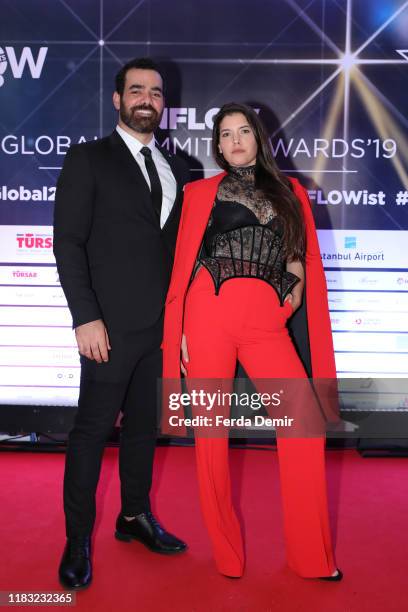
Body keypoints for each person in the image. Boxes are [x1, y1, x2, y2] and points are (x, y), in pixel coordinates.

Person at [161, 103, 342, 580]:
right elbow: (183, 264)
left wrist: (283, 306)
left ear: (258, 139)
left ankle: (312, 558)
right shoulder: (199, 193)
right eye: (226, 134)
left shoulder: (291, 193)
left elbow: (297, 262)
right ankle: (227, 555)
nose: (236, 140)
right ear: (217, 145)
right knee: (211, 439)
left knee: (303, 425)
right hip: (206, 316)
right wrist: (178, 330)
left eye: (244, 131)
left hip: (265, 321)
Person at [53, 57, 190, 590]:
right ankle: (77, 538)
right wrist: (85, 317)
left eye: (155, 93)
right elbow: (69, 243)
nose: (146, 100)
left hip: (160, 330)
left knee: (141, 430)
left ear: (163, 104)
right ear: (117, 100)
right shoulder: (89, 159)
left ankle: (134, 516)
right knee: (91, 434)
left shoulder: (176, 168)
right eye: (136, 90)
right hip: (107, 328)